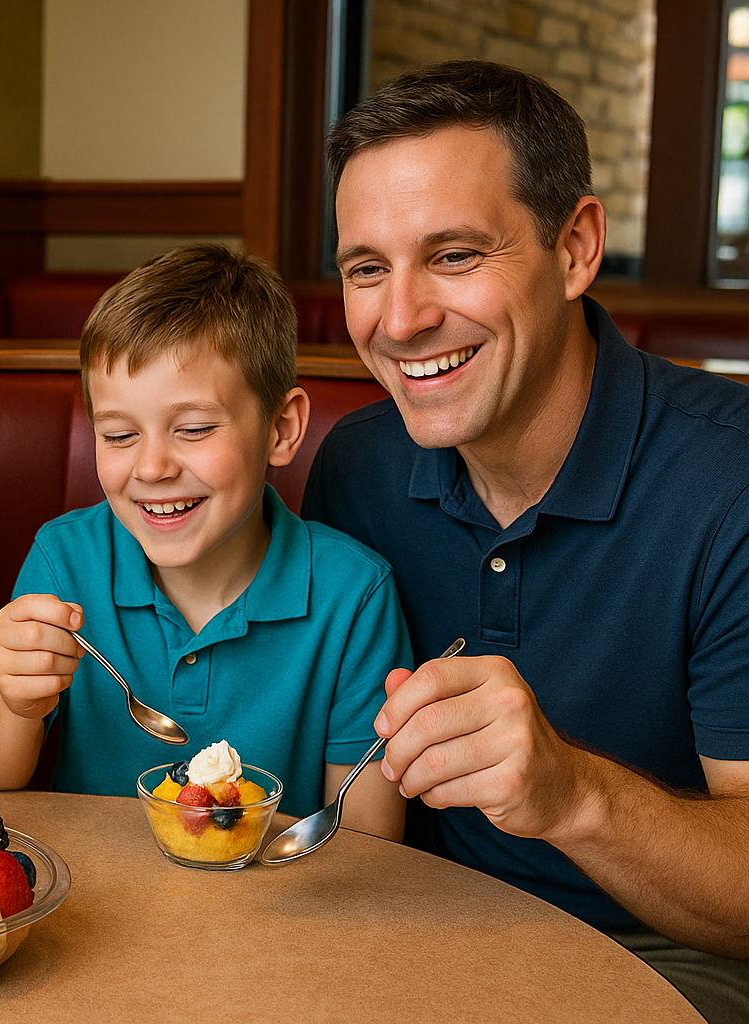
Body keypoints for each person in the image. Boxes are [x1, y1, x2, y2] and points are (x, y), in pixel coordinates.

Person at [303, 59, 749, 1020]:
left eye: (455, 255)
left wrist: (572, 793)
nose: (402, 318)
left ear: (576, 247)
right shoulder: (358, 467)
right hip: (408, 929)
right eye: (366, 268)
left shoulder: (733, 483)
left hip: (667, 959)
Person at [0, 244, 413, 837]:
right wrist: (17, 704)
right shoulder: (67, 562)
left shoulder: (352, 597)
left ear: (281, 428)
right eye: (118, 435)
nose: (152, 468)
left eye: (193, 430)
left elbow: (369, 845)